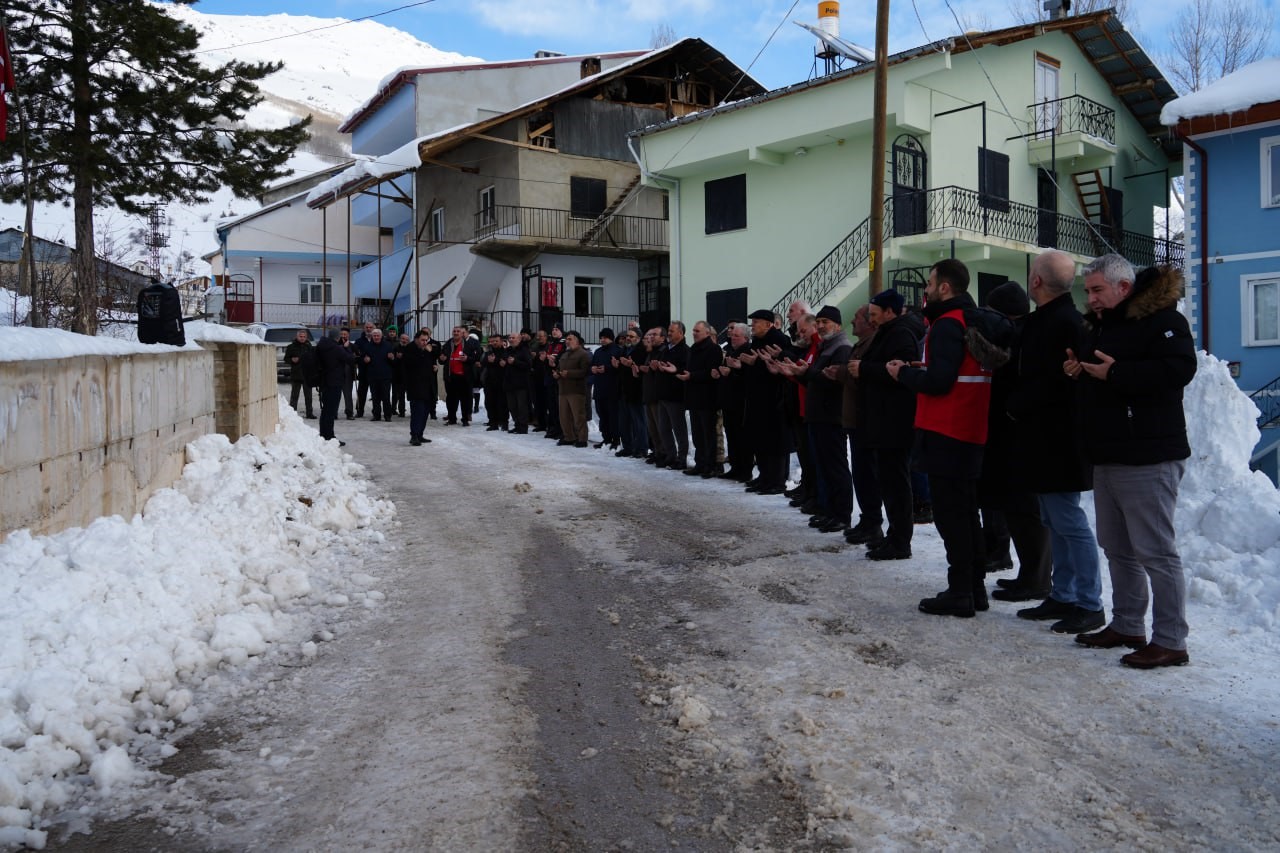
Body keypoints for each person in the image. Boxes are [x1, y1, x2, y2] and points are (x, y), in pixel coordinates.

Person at [1067, 256, 1197, 668]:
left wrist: (1117, 374)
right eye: (1088, 291)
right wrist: (1079, 369)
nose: (1091, 298)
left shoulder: (1163, 321)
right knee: (1117, 548)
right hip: (1109, 453)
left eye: (1097, 290)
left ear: (1123, 288)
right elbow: (1102, 372)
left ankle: (1172, 640)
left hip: (1149, 455)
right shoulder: (1105, 324)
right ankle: (1127, 624)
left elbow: (1180, 368)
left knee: (1156, 553)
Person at [889, 259, 1007, 617]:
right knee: (967, 513)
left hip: (946, 430)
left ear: (944, 287)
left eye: (929, 283)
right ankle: (973, 589)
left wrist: (903, 376)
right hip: (970, 429)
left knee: (952, 517)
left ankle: (960, 591)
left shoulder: (946, 324)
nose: (924, 290)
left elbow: (941, 382)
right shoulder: (972, 320)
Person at [1002, 254, 1096, 633]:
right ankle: (1063, 593)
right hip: (1041, 437)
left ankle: (1089, 602)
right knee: (1052, 518)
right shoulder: (1049, 319)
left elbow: (1065, 382)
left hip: (1061, 439)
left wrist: (1018, 404)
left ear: (1036, 281)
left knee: (1068, 520)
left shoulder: (1067, 323)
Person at [848, 290, 919, 559]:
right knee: (889, 482)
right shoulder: (888, 332)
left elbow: (898, 373)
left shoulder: (901, 335)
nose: (871, 316)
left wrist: (864, 369)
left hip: (895, 422)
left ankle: (900, 541)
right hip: (883, 421)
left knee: (896, 483)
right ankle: (894, 537)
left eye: (875, 311)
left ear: (890, 311)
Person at [679, 320, 724, 477]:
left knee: (708, 434)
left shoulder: (714, 349)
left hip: (707, 398)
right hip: (694, 398)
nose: (694, 333)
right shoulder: (693, 349)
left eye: (697, 331)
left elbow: (711, 373)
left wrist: (692, 376)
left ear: (707, 332)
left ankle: (710, 465)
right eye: (693, 330)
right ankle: (700, 463)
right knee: (698, 434)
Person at [652, 321, 691, 470]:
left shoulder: (685, 351)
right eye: (668, 330)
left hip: (675, 396)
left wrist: (675, 370)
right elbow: (664, 367)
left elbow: (685, 370)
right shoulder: (666, 349)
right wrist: (658, 367)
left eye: (672, 331)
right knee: (664, 428)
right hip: (663, 394)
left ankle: (682, 458)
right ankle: (670, 455)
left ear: (681, 333)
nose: (669, 333)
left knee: (679, 429)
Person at [314, 330, 356, 446]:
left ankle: (324, 434)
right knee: (331, 411)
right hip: (335, 381)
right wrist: (346, 348)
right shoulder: (337, 348)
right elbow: (350, 359)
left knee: (326, 410)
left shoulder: (321, 346)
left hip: (324, 381)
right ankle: (330, 436)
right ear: (337, 338)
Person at [553, 330, 591, 447]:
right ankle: (569, 437)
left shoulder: (583, 354)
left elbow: (585, 372)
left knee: (578, 416)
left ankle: (582, 438)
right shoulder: (564, 354)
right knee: (564, 416)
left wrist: (569, 373)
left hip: (576, 390)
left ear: (577, 341)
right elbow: (559, 369)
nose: (567, 342)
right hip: (563, 389)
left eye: (570, 339)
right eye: (567, 340)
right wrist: (557, 374)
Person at [401, 329, 438, 446]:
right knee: (417, 411)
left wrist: (434, 366)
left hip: (427, 385)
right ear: (416, 339)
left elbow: (431, 361)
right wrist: (423, 352)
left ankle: (420, 434)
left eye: (426, 340)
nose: (424, 342)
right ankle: (414, 435)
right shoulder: (410, 349)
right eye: (422, 340)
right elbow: (413, 364)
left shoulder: (427, 350)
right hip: (415, 386)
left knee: (425, 411)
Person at [441, 326, 480, 425]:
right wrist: (441, 359)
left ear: (462, 334)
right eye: (454, 331)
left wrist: (467, 359)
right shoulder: (447, 344)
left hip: (464, 377)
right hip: (450, 376)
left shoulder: (468, 344)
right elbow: (441, 359)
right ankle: (452, 419)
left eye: (458, 331)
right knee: (451, 399)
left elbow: (475, 358)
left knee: (465, 399)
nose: (456, 333)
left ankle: (465, 419)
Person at [590, 328, 621, 449]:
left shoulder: (617, 350)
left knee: (613, 416)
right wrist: (592, 369)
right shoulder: (597, 351)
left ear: (611, 338)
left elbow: (619, 368)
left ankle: (616, 440)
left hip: (612, 389)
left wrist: (607, 368)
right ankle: (606, 438)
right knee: (602, 416)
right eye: (601, 337)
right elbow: (592, 365)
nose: (602, 340)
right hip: (599, 388)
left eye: (605, 338)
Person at [359, 327, 395, 421]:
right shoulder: (367, 346)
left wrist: (392, 358)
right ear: (371, 336)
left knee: (386, 397)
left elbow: (393, 362)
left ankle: (388, 415)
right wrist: (365, 360)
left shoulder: (387, 345)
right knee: (375, 397)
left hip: (385, 376)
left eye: (377, 335)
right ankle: (376, 415)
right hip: (373, 376)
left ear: (381, 336)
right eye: (374, 336)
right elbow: (362, 360)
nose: (376, 337)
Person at [283, 328, 316, 419]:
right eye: (300, 336)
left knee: (308, 396)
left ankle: (309, 413)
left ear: (306, 337)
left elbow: (313, 359)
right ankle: (292, 414)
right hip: (296, 374)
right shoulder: (291, 347)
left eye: (304, 337)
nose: (302, 338)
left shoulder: (309, 346)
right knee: (294, 396)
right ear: (297, 337)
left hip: (307, 375)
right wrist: (292, 360)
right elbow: (286, 359)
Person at [503, 332, 532, 434]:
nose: (511, 339)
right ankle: (517, 424)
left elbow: (528, 365)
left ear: (519, 339)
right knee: (512, 406)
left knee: (521, 406)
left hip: (521, 383)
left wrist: (515, 362)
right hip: (509, 382)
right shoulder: (507, 350)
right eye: (510, 338)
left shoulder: (524, 350)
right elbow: (504, 362)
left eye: (513, 338)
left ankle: (523, 427)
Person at [337, 327, 358, 419]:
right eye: (342, 334)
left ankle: (349, 413)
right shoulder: (335, 344)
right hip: (336, 373)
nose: (343, 336)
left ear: (348, 335)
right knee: (336, 394)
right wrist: (343, 347)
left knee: (348, 394)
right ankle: (334, 413)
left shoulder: (352, 346)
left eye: (345, 334)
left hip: (348, 373)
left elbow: (356, 357)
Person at [389, 331, 410, 418]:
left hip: (407, 375)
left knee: (403, 395)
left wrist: (403, 357)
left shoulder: (410, 349)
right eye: (403, 339)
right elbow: (392, 362)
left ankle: (402, 411)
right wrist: (396, 358)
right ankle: (393, 409)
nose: (404, 340)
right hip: (396, 374)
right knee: (395, 394)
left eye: (406, 339)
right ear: (400, 339)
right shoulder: (395, 348)